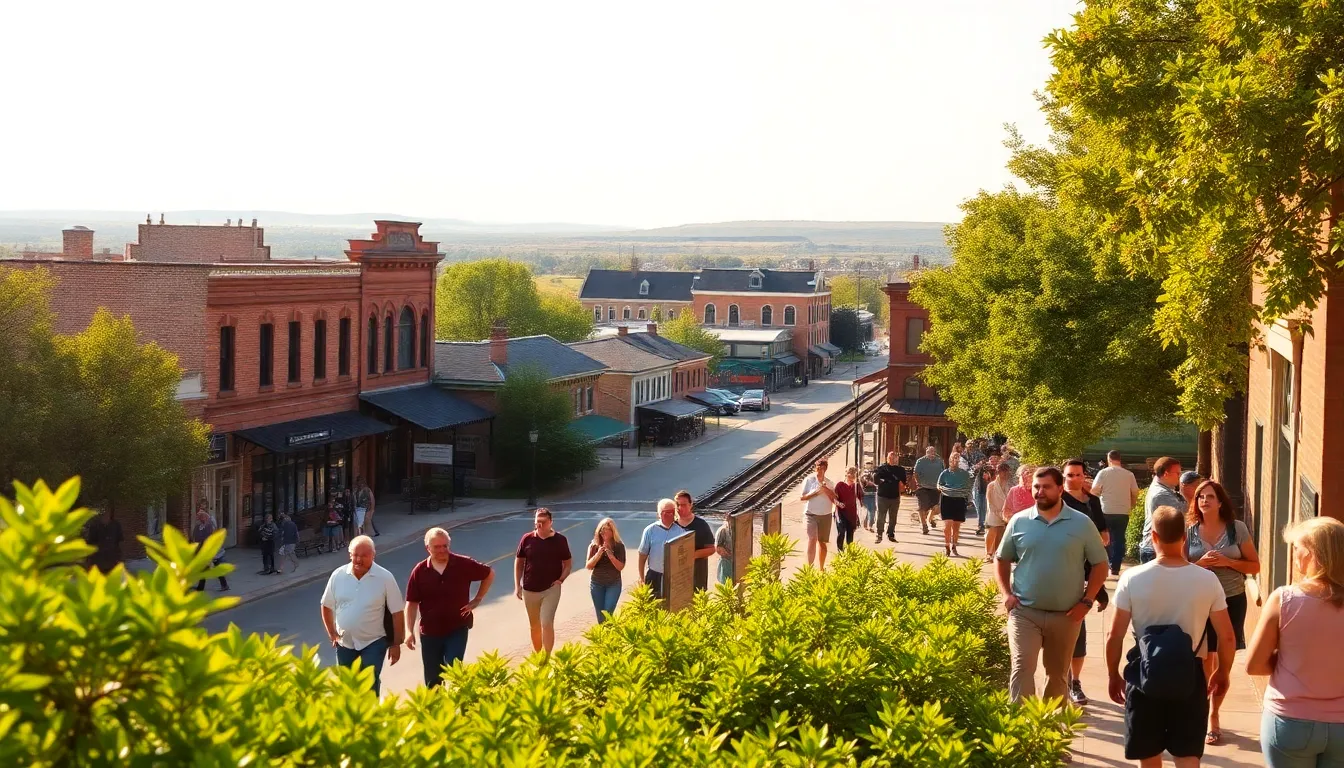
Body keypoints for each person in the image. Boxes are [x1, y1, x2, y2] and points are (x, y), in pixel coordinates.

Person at [1106, 505, 1234, 768]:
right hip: (1190, 676)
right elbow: (1227, 637)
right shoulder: (1207, 580)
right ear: (1184, 536)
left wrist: (1113, 675)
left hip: (1144, 676)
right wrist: (1222, 672)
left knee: (1149, 755)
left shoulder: (1132, 578)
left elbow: (1114, 635)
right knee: (1187, 755)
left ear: (1153, 536)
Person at [995, 466, 1109, 703]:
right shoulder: (1019, 521)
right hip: (1025, 613)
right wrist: (1006, 593)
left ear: (1060, 489)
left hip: (1067, 615)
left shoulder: (1082, 523)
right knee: (1022, 667)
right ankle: (1019, 729)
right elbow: (1002, 558)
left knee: (1057, 675)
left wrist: (1087, 600)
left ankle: (1048, 729)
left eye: (1046, 487)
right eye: (1036, 487)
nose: (1040, 492)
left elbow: (1100, 564)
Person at [1246, 517, 1344, 767]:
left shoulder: (1285, 599)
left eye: (1297, 547)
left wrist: (1287, 661)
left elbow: (1254, 665)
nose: (1294, 554)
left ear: (1312, 554)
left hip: (1289, 721)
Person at [1185, 480, 1259, 746]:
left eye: (1210, 496)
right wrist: (1198, 564)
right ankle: (1204, 714)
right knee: (1204, 660)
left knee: (1223, 667)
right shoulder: (1189, 531)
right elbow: (1178, 567)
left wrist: (1229, 562)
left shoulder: (1236, 529)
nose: (1204, 500)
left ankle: (1215, 713)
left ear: (1220, 502)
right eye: (1200, 497)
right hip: (1200, 602)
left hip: (1232, 601)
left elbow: (1255, 566)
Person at [404, 527, 493, 686]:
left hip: (457, 627)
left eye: (445, 546)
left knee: (454, 668)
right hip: (430, 631)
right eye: (437, 547)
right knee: (433, 680)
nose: (442, 550)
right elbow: (411, 603)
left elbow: (489, 574)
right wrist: (409, 632)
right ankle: (438, 708)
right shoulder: (420, 571)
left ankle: (461, 705)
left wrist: (478, 599)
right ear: (428, 548)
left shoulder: (462, 563)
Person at [320, 535, 404, 697]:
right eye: (355, 555)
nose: (358, 559)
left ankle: (371, 719)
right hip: (345, 643)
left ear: (373, 555)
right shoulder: (338, 575)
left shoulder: (385, 578)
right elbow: (326, 605)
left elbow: (397, 613)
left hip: (373, 642)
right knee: (347, 687)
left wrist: (396, 644)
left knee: (369, 683)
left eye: (364, 555)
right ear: (350, 555)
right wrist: (332, 633)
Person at [1062, 458, 1112, 706]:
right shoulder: (1059, 502)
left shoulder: (1092, 501)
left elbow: (1104, 534)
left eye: (1077, 475)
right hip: (1063, 572)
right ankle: (1062, 679)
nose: (1073, 479)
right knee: (1063, 630)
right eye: (1069, 475)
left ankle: (1075, 681)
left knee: (1078, 627)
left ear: (1084, 476)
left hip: (1088, 571)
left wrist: (1097, 542)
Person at [514, 508, 571, 653]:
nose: (539, 525)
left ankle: (547, 657)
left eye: (543, 522)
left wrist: (561, 579)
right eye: (537, 522)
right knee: (534, 625)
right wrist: (517, 585)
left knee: (546, 622)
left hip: (551, 588)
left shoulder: (560, 540)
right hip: (529, 589)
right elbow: (519, 562)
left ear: (550, 522)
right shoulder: (527, 539)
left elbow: (568, 563)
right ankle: (538, 656)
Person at [1091, 450, 1140, 575]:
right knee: (1119, 538)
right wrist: (1132, 505)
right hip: (1123, 511)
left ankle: (1104, 564)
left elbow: (1094, 491)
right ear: (1120, 459)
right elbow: (1135, 492)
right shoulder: (1129, 474)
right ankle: (1115, 567)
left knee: (1104, 538)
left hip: (1105, 510)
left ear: (1109, 459)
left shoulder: (1103, 473)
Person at [1139, 457, 1185, 564]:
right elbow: (1181, 515)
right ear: (1166, 473)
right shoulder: (1162, 494)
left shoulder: (1162, 488)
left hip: (1155, 548)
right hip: (1156, 550)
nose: (1180, 477)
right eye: (1177, 473)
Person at [673, 491, 716, 591]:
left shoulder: (701, 525)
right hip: (677, 577)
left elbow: (711, 549)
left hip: (697, 576)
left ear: (690, 504)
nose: (680, 508)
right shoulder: (672, 525)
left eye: (683, 505)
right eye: (677, 505)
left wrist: (692, 555)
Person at [585, 518, 626, 623]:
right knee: (600, 615)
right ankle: (604, 637)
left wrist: (611, 555)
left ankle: (609, 636)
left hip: (613, 584)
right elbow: (588, 566)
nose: (604, 532)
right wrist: (598, 554)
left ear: (613, 532)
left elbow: (620, 567)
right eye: (602, 529)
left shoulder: (619, 546)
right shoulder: (594, 546)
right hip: (597, 584)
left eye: (607, 529)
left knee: (608, 613)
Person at [800, 459, 838, 570]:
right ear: (815, 468)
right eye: (818, 468)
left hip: (825, 515)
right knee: (812, 539)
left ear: (825, 469)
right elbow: (803, 497)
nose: (820, 471)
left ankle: (821, 568)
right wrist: (816, 493)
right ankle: (809, 568)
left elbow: (835, 497)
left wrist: (826, 489)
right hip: (811, 514)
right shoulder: (809, 480)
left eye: (822, 468)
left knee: (822, 542)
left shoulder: (829, 483)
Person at [637, 499, 679, 598]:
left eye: (672, 512)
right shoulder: (650, 531)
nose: (670, 515)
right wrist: (641, 577)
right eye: (666, 512)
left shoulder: (680, 531)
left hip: (673, 577)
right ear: (659, 514)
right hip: (654, 575)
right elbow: (642, 555)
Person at [936, 453, 973, 557]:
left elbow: (968, 487)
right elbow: (939, 485)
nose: (955, 461)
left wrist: (965, 495)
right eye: (953, 459)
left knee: (956, 527)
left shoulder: (964, 474)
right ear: (949, 460)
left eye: (957, 459)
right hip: (947, 499)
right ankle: (947, 545)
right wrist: (945, 489)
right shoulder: (944, 473)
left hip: (960, 500)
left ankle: (954, 546)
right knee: (947, 525)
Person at [190, 507, 230, 592]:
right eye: (198, 516)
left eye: (201, 516)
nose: (199, 518)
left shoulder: (210, 525)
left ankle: (225, 585)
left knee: (217, 567)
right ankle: (200, 587)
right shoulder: (198, 526)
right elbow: (196, 538)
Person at [872, 451, 907, 543]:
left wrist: (902, 486)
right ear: (887, 458)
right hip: (882, 496)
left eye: (894, 458)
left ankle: (891, 534)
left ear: (897, 459)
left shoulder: (900, 470)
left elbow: (903, 483)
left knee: (893, 517)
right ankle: (879, 534)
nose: (892, 459)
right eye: (890, 458)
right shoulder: (881, 468)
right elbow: (875, 479)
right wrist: (881, 481)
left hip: (895, 497)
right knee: (881, 516)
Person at [913, 447, 945, 535]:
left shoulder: (939, 461)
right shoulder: (921, 461)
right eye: (930, 452)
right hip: (923, 487)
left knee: (936, 508)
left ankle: (929, 519)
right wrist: (918, 483)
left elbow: (943, 473)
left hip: (935, 488)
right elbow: (915, 473)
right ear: (926, 453)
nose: (932, 453)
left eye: (933, 452)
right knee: (922, 508)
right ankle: (924, 526)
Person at [984, 463, 1013, 557]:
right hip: (993, 511)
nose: (1005, 474)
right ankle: (988, 553)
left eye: (1006, 472)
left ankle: (997, 553)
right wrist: (995, 511)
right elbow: (989, 500)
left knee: (1000, 532)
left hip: (1004, 512)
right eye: (1003, 472)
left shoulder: (1010, 485)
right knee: (992, 531)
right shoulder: (991, 485)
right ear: (998, 472)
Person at [83, 507, 124, 573]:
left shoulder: (116, 525)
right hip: (98, 561)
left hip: (112, 560)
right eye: (104, 511)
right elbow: (90, 543)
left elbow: (119, 542)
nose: (106, 513)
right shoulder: (95, 525)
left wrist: (119, 558)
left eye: (107, 511)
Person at [834, 466, 860, 552]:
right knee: (841, 532)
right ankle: (840, 551)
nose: (851, 478)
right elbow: (834, 498)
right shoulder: (840, 485)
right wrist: (839, 504)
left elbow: (858, 502)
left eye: (853, 476)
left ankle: (849, 553)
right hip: (840, 513)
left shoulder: (856, 486)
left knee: (850, 536)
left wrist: (857, 517)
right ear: (846, 475)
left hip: (851, 514)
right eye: (849, 476)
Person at [972, 460, 996, 538]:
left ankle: (986, 525)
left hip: (989, 491)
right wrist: (978, 466)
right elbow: (972, 472)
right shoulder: (981, 468)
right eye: (991, 460)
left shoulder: (995, 469)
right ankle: (981, 526)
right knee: (980, 509)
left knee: (986, 509)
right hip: (980, 490)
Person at [859, 461, 879, 533]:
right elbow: (865, 480)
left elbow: (877, 481)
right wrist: (870, 482)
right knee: (868, 511)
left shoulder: (874, 473)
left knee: (872, 510)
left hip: (873, 495)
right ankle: (867, 524)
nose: (869, 467)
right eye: (867, 465)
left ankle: (870, 525)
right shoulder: (863, 474)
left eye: (870, 465)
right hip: (866, 495)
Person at [715, 519, 733, 584]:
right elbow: (718, 548)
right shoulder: (723, 530)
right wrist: (728, 555)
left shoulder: (738, 528)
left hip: (737, 563)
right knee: (726, 585)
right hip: (726, 563)